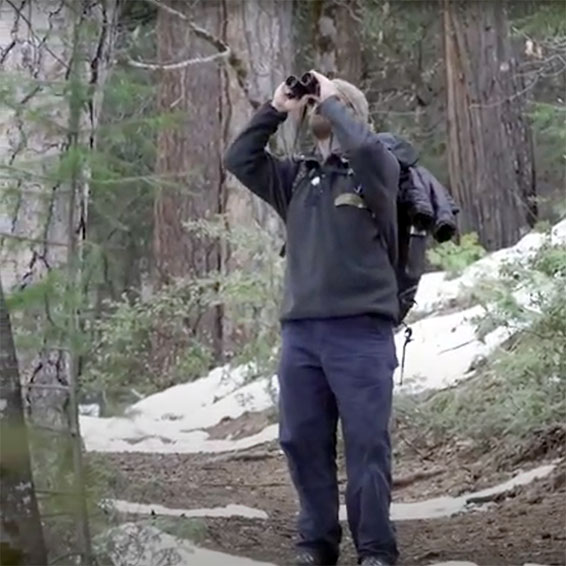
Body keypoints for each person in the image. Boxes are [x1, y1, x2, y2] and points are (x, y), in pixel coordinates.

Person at [224, 70, 400, 566]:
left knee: (366, 444)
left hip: (361, 331)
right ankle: (316, 544)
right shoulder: (295, 178)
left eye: (333, 102)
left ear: (352, 115)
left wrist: (334, 98)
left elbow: (365, 152)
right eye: (319, 100)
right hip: (302, 334)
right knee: (301, 440)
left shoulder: (377, 170)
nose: (321, 105)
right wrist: (277, 108)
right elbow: (239, 159)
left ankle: (376, 550)